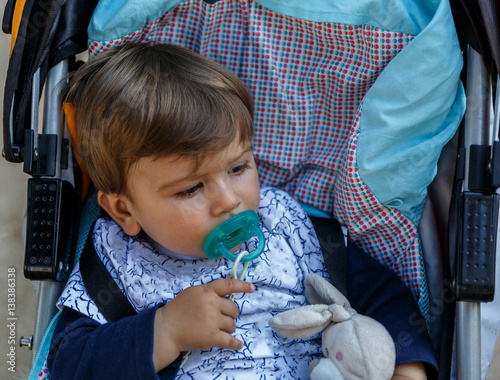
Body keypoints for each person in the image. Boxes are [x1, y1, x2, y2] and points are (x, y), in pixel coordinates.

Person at [46, 43, 435, 379]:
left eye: (237, 168)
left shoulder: (288, 229)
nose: (228, 200)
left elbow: (383, 296)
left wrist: (407, 368)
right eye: (191, 189)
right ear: (124, 211)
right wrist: (164, 331)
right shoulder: (119, 264)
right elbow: (69, 363)